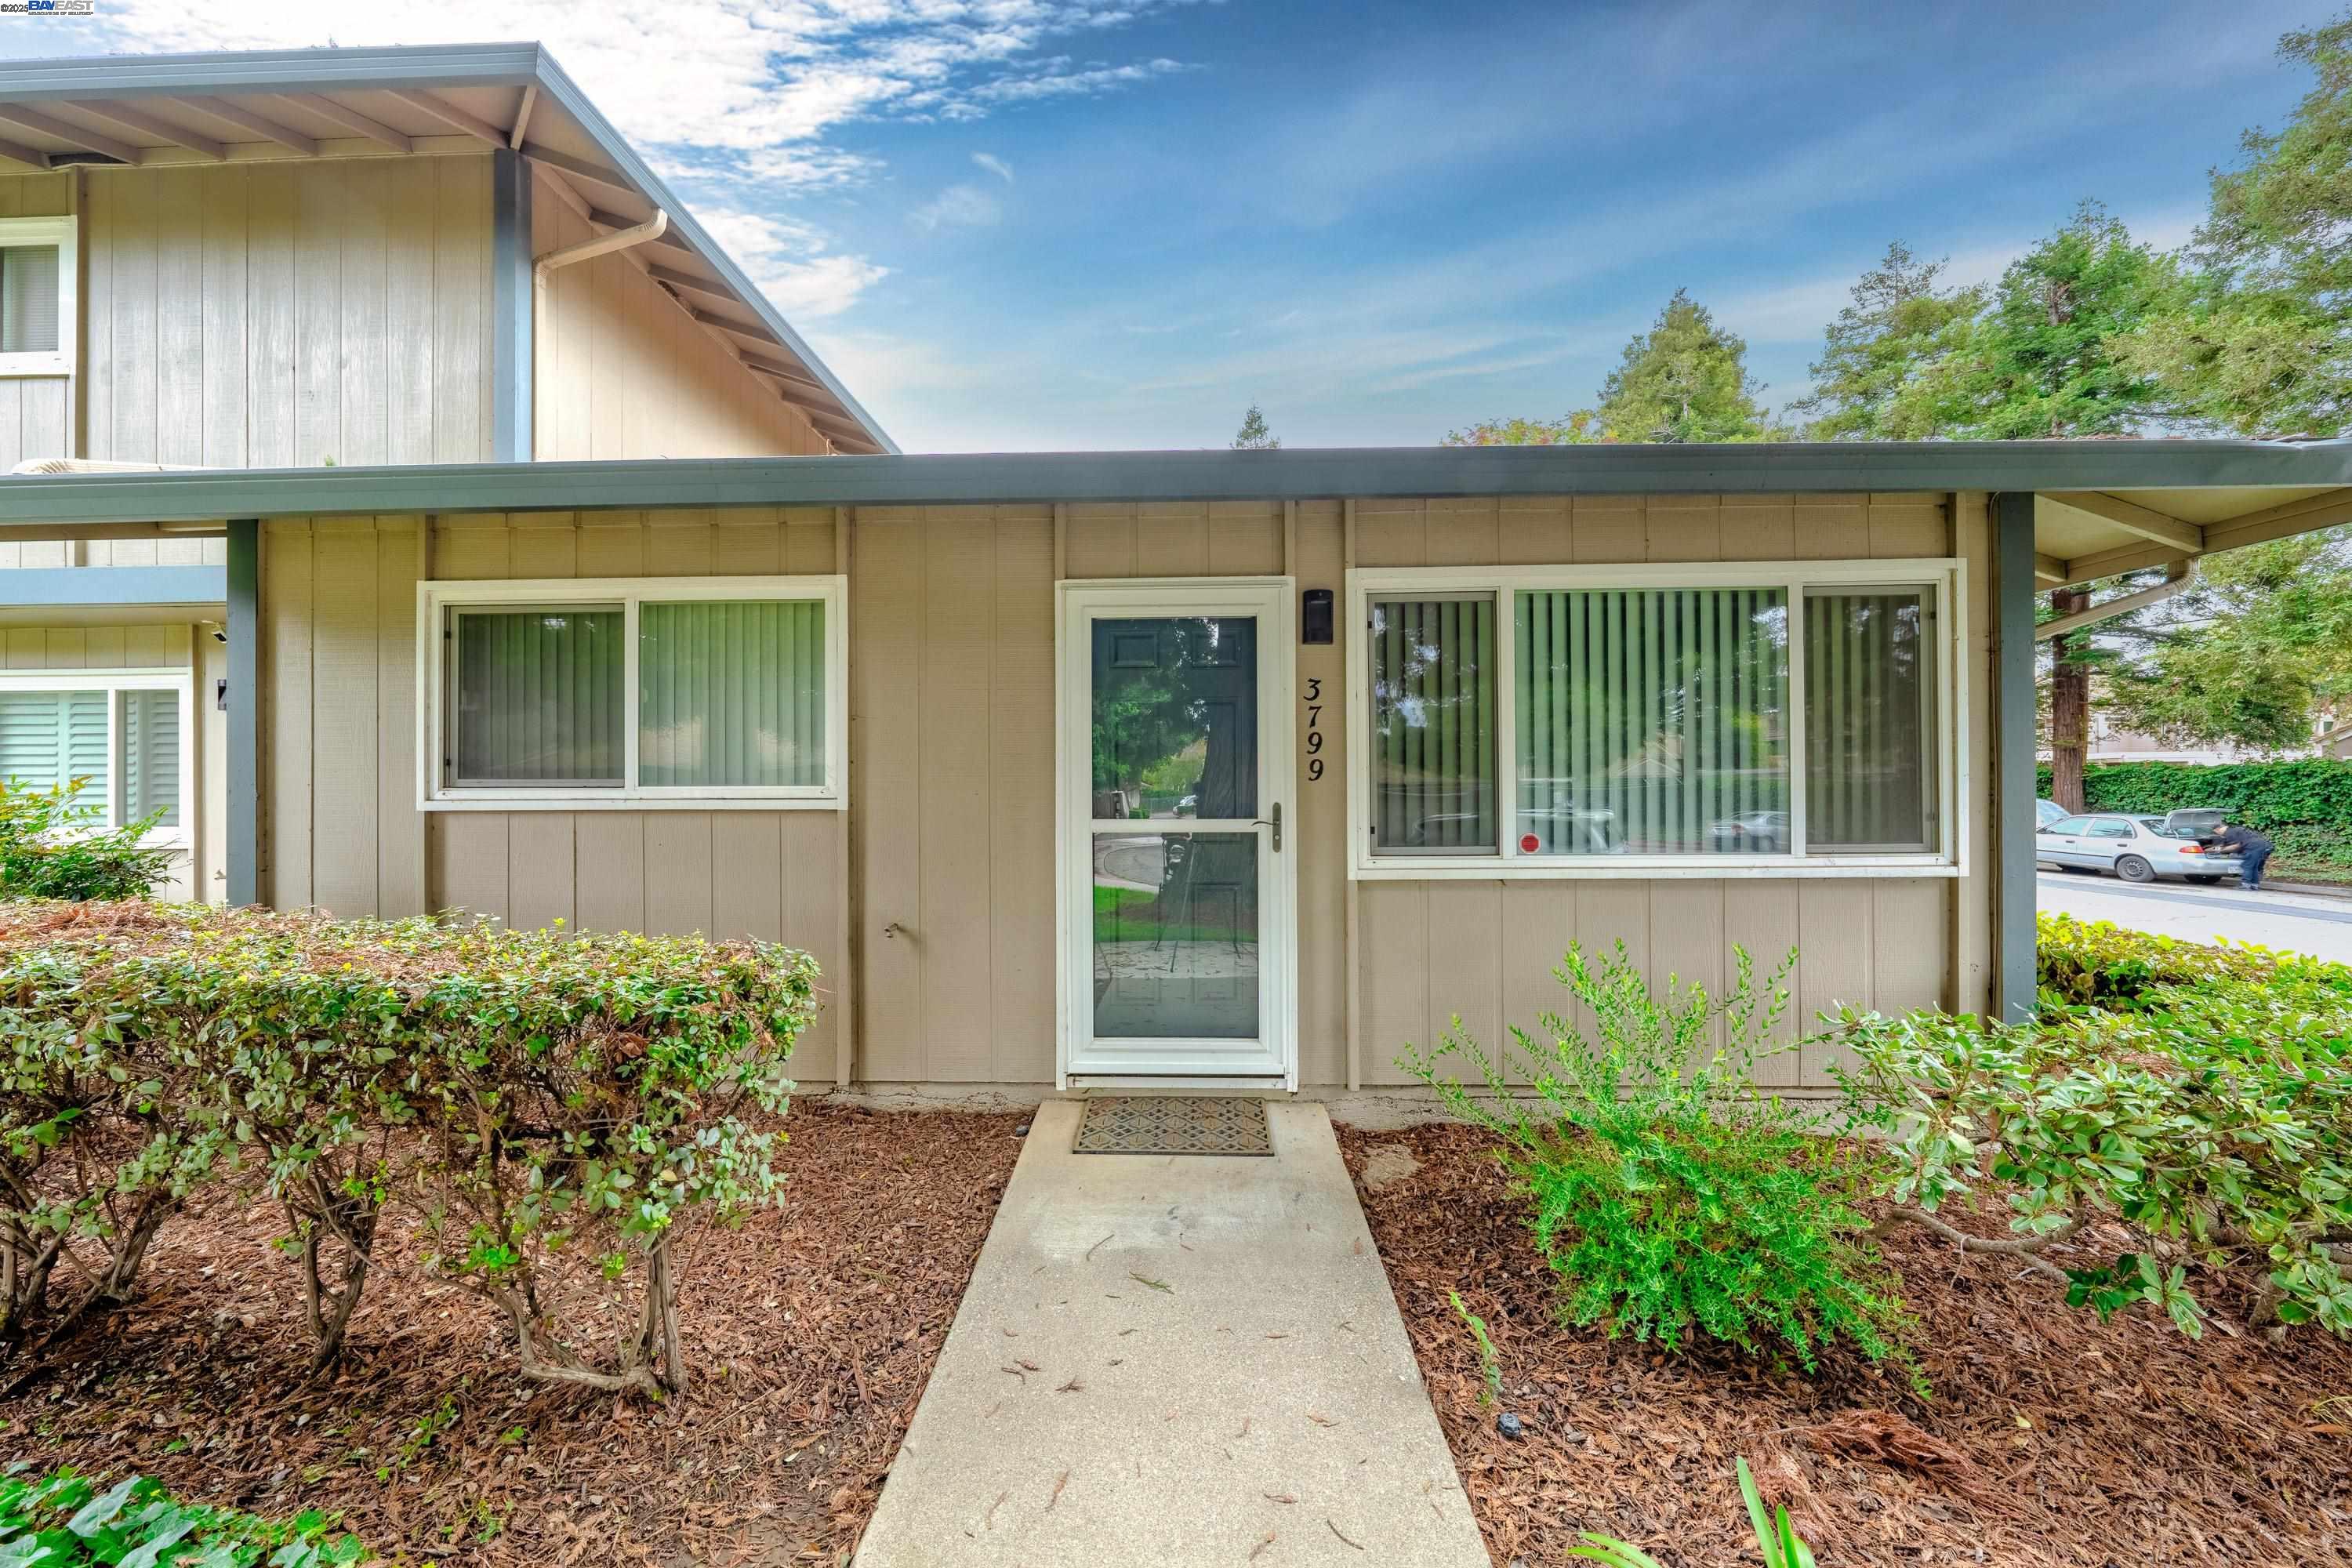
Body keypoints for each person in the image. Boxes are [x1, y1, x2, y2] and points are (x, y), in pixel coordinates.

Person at [2205, 819, 2275, 890]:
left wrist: (2213, 850)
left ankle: (2245, 885)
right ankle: (2254, 885)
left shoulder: (2229, 833)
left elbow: (2234, 847)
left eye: (2216, 832)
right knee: (2254, 867)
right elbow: (2228, 845)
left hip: (2253, 847)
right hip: (2262, 845)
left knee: (2247, 866)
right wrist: (2215, 848)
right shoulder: (2234, 830)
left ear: (2218, 829)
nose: (2218, 834)